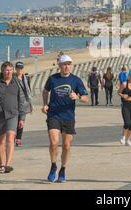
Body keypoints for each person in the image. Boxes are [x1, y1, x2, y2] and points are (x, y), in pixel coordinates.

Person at [42, 55, 89, 183]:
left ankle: (62, 169)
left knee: (67, 146)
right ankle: (53, 166)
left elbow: (86, 97)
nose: (67, 66)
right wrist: (45, 104)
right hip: (53, 115)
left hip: (68, 117)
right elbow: (45, 91)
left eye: (69, 64)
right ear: (60, 65)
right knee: (54, 143)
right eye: (64, 64)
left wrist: (78, 97)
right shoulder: (53, 79)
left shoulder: (76, 80)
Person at [0, 62, 28, 174]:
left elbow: (22, 101)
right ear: (2, 71)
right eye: (6, 70)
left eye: (10, 70)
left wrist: (22, 118)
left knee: (10, 137)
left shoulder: (17, 83)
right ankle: (2, 163)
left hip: (13, 115)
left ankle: (8, 164)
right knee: (0, 140)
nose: (8, 72)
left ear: (13, 71)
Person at [14, 61, 33, 147]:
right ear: (15, 68)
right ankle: (13, 137)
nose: (19, 70)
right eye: (18, 68)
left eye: (21, 68)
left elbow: (29, 91)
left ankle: (18, 140)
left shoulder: (26, 78)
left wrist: (30, 104)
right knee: (15, 122)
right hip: (15, 103)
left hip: (24, 103)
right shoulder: (13, 79)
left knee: (21, 122)